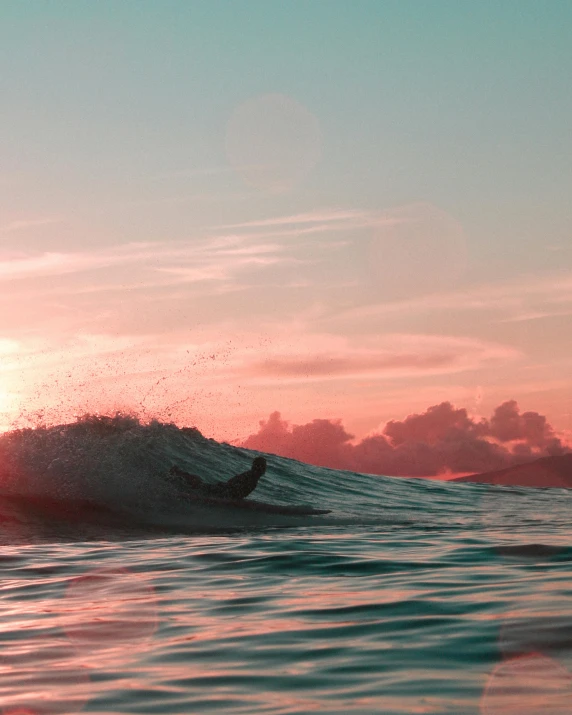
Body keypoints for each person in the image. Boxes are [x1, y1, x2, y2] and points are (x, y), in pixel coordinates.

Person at [168, 456, 267, 501]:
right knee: (198, 484)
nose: (265, 469)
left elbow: (233, 482)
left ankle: (178, 474)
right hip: (221, 492)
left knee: (199, 484)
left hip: (222, 489)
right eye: (263, 466)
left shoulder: (251, 476)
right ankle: (177, 474)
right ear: (259, 467)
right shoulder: (251, 477)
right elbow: (235, 488)